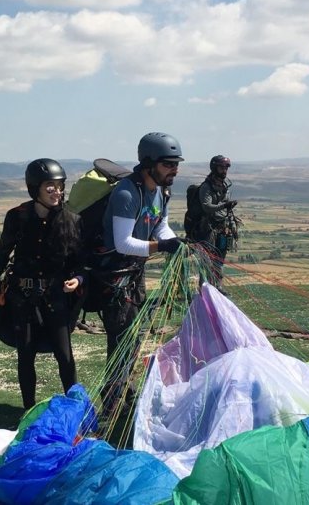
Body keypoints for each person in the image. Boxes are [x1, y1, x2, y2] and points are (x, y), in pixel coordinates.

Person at [0, 159, 84, 410]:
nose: (57, 192)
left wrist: (78, 279)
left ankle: (74, 410)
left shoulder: (71, 221)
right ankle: (27, 411)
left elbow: (81, 262)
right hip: (22, 298)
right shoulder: (17, 217)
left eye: (60, 186)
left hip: (56, 297)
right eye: (50, 186)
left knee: (65, 355)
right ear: (35, 188)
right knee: (25, 355)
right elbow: (2, 254)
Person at [96, 132, 184, 410]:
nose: (175, 170)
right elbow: (123, 243)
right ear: (149, 164)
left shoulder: (161, 191)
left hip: (135, 273)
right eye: (168, 164)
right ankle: (112, 400)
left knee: (133, 337)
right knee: (121, 338)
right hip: (114, 275)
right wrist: (161, 247)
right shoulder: (126, 193)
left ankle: (124, 390)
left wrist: (171, 241)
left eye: (176, 164)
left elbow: (159, 226)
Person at [192, 155, 238, 290]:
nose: (224, 171)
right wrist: (224, 206)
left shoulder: (225, 186)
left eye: (226, 168)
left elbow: (227, 209)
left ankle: (218, 288)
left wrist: (232, 225)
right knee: (206, 263)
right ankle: (205, 292)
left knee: (219, 262)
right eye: (221, 167)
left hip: (223, 229)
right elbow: (207, 206)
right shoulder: (206, 187)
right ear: (214, 168)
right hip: (207, 230)